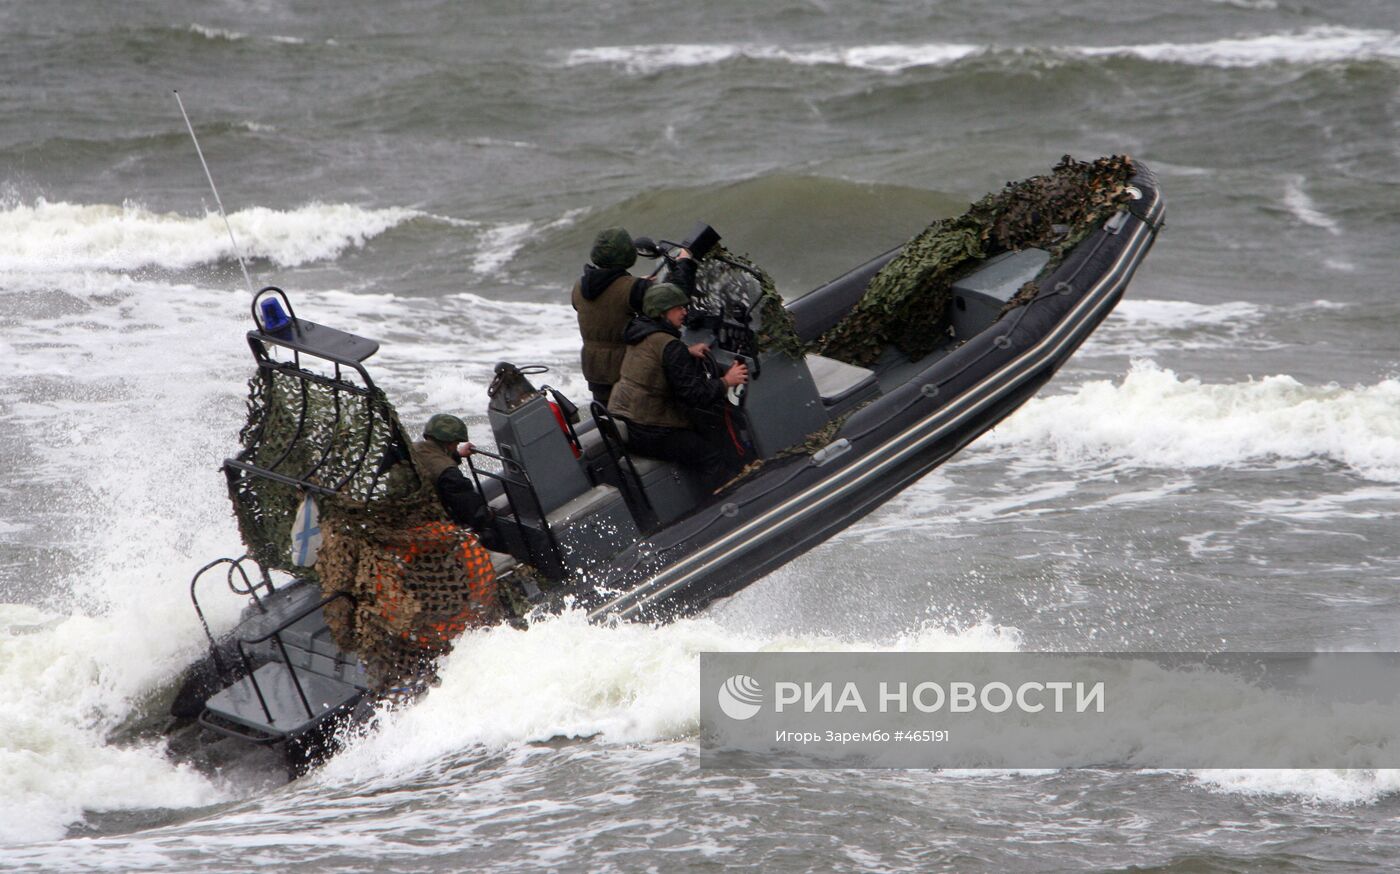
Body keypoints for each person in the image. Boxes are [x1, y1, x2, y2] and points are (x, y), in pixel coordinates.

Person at [607, 283, 749, 490]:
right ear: (663, 312)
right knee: (710, 456)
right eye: (678, 308)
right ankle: (723, 503)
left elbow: (653, 358)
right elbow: (694, 395)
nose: (684, 312)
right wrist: (727, 380)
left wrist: (685, 351)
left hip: (627, 419)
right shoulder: (670, 346)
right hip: (650, 429)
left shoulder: (639, 332)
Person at [571, 226, 696, 405]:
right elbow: (675, 296)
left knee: (612, 423)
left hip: (595, 372)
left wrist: (634, 284)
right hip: (627, 372)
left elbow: (604, 307)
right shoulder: (632, 288)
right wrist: (684, 261)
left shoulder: (579, 286)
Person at [414, 413, 503, 551]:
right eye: (456, 444)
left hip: (414, 512)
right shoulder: (449, 473)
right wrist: (490, 516)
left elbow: (431, 461)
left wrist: (457, 454)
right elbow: (470, 509)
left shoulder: (413, 449)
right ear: (449, 443)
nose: (456, 446)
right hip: (433, 521)